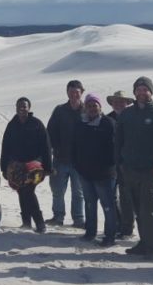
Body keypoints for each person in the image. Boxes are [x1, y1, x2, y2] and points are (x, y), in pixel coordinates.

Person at [115, 76, 153, 259]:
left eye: (145, 89)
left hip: (150, 171)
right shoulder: (127, 114)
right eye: (139, 89)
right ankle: (143, 242)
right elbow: (118, 140)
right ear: (134, 92)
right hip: (130, 169)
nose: (142, 92)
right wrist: (121, 163)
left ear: (151, 92)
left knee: (149, 209)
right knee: (137, 208)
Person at [0, 97, 51, 232]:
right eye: (20, 106)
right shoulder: (12, 125)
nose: (22, 108)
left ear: (29, 108)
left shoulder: (37, 124)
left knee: (28, 191)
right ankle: (26, 222)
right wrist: (4, 167)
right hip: (17, 166)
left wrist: (48, 168)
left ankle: (39, 222)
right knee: (22, 191)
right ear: (16, 108)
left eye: (25, 106)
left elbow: (46, 146)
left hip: (35, 166)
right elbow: (6, 146)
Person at [73, 94, 117, 246]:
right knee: (90, 204)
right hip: (85, 173)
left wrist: (109, 166)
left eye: (95, 105)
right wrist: (77, 165)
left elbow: (115, 148)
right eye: (89, 105)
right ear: (85, 107)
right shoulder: (81, 124)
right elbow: (75, 146)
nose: (92, 108)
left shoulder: (108, 123)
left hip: (104, 174)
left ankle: (110, 235)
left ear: (100, 107)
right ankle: (90, 232)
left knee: (108, 206)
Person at [47, 80, 86, 228]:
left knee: (78, 192)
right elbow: (50, 132)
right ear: (67, 92)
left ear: (82, 92)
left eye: (77, 92)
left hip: (80, 161)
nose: (74, 94)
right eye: (71, 91)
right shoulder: (60, 110)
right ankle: (58, 216)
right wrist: (52, 150)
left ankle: (78, 219)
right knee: (57, 190)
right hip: (60, 158)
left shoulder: (87, 110)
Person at [106, 89, 135, 238]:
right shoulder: (107, 118)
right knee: (112, 197)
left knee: (127, 197)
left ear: (127, 103)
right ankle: (118, 224)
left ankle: (127, 227)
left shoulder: (132, 117)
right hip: (110, 164)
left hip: (127, 164)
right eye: (115, 101)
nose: (118, 104)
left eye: (121, 101)